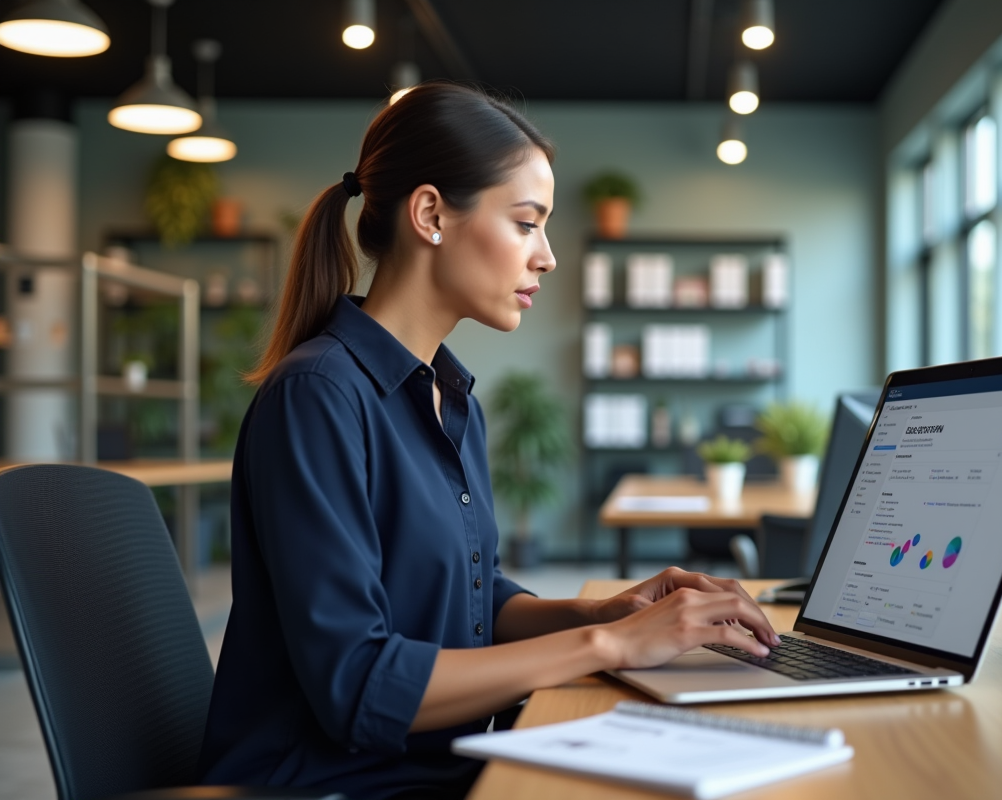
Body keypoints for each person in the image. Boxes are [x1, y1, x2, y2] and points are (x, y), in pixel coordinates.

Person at [197, 82, 779, 800]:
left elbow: (474, 599)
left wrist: (602, 613)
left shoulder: (451, 398)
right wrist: (609, 645)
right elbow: (358, 684)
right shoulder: (317, 396)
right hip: (329, 784)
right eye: (527, 223)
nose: (547, 257)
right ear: (431, 215)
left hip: (445, 765)